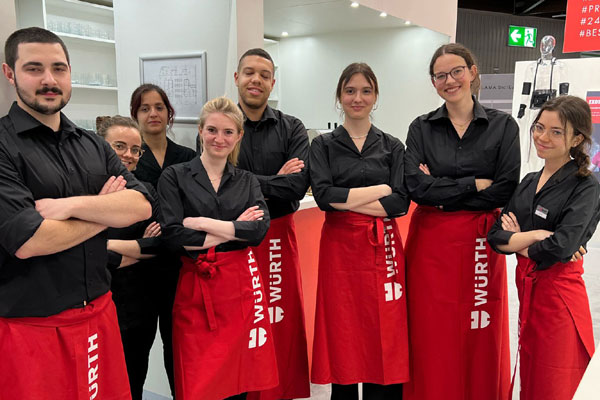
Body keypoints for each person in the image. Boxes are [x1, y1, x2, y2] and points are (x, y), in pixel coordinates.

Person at [0, 27, 152, 399]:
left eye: (59, 68)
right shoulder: (3, 146)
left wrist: (69, 207)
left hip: (99, 316)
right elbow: (30, 240)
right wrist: (105, 211)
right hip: (31, 329)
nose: (49, 80)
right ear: (9, 73)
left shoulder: (92, 145)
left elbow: (141, 205)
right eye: (34, 68)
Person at [403, 43, 520, 400]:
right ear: (433, 83)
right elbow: (416, 188)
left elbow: (504, 189)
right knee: (431, 329)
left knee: (479, 326)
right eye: (440, 75)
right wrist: (474, 184)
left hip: (480, 242)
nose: (449, 80)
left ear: (472, 71)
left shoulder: (503, 126)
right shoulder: (421, 127)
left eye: (456, 71)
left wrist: (441, 187)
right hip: (430, 243)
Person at [158, 96, 278, 400]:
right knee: (196, 383)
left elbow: (258, 232)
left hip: (239, 292)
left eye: (227, 132)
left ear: (238, 136)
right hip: (195, 291)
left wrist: (202, 223)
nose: (219, 139)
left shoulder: (247, 181)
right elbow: (172, 236)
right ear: (200, 130)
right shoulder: (174, 176)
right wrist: (234, 228)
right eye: (212, 130)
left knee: (238, 380)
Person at [488, 95, 600, 400]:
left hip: (559, 299)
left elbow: (561, 247)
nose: (542, 137)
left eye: (556, 132)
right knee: (530, 378)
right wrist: (536, 235)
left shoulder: (585, 186)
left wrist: (518, 240)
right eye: (539, 127)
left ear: (576, 139)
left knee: (555, 383)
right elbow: (496, 237)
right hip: (528, 293)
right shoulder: (528, 181)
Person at [309, 62, 409, 400]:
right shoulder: (323, 145)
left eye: (366, 91)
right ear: (339, 96)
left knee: (385, 330)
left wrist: (349, 201)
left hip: (384, 249)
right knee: (344, 332)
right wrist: (381, 189)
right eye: (350, 91)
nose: (357, 98)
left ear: (375, 96)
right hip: (340, 251)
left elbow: (400, 203)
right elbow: (324, 197)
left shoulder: (392, 146)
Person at [234, 48, 311, 400]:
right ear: (237, 77)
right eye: (249, 72)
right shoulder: (223, 124)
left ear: (273, 82)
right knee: (244, 324)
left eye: (264, 75)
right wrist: (273, 179)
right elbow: (218, 185)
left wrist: (243, 181)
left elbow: (295, 186)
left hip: (278, 237)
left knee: (279, 320)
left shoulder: (291, 127)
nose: (256, 80)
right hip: (234, 243)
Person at [129, 83, 196, 396]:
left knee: (178, 349)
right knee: (135, 352)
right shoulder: (126, 159)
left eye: (159, 107)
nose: (153, 114)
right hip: (136, 270)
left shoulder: (187, 158)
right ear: (136, 115)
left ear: (170, 113)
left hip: (177, 268)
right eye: (145, 108)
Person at [97, 115, 165, 400]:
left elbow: (158, 245)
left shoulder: (146, 193)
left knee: (133, 382)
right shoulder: (83, 192)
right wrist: (135, 249)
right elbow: (78, 253)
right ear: (100, 146)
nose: (128, 154)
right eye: (120, 146)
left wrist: (105, 245)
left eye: (135, 149)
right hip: (96, 306)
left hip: (139, 308)